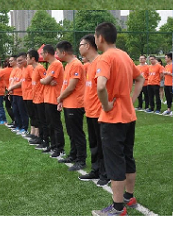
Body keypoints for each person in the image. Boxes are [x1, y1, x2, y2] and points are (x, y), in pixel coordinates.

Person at [91, 21, 144, 216]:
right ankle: (129, 196)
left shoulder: (105, 58)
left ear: (100, 38)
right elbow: (140, 78)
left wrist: (106, 106)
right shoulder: (125, 55)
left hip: (113, 118)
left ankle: (118, 208)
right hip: (128, 116)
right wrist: (131, 99)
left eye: (95, 37)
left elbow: (101, 86)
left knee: (115, 161)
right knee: (127, 156)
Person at [78, 34, 109, 186]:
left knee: (102, 145)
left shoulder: (100, 62)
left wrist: (104, 107)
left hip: (99, 112)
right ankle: (96, 170)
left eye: (80, 45)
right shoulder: (90, 65)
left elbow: (104, 87)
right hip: (90, 112)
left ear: (88, 46)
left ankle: (105, 173)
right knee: (94, 144)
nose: (79, 48)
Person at [56, 40, 87, 170]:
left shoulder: (76, 64)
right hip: (68, 103)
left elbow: (71, 87)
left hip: (76, 104)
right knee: (71, 131)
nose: (56, 55)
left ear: (63, 52)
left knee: (77, 132)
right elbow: (65, 85)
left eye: (57, 52)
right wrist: (61, 101)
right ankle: (73, 155)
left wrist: (60, 98)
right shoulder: (68, 65)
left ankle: (81, 159)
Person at [40, 44, 66, 159]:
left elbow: (46, 80)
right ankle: (54, 145)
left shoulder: (56, 64)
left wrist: (44, 81)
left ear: (47, 53)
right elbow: (46, 80)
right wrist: (45, 81)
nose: (42, 55)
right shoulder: (51, 65)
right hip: (48, 98)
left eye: (42, 53)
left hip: (54, 98)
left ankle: (60, 148)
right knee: (50, 124)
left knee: (56, 124)